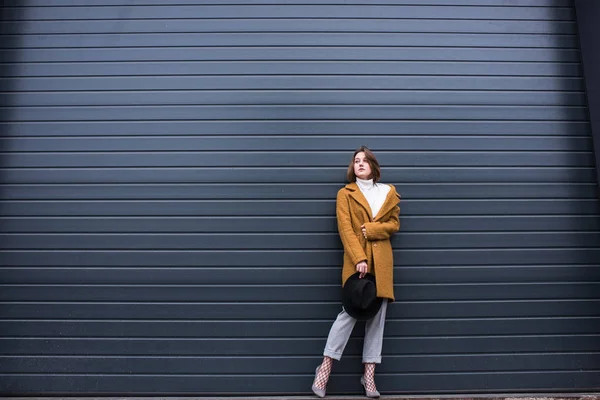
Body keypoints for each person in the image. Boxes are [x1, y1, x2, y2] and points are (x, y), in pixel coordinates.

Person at [311, 146, 401, 398]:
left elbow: (394, 224)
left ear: (373, 165)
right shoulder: (345, 193)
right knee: (348, 315)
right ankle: (324, 369)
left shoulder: (388, 192)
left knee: (377, 318)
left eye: (364, 160)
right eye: (356, 161)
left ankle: (368, 377)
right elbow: (346, 229)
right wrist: (359, 257)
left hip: (382, 261)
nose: (359, 164)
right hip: (357, 260)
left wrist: (373, 230)